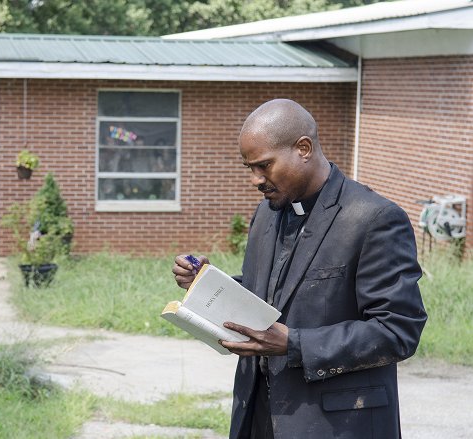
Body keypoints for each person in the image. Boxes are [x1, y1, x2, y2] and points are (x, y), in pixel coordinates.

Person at [172, 99, 427, 439]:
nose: (255, 179)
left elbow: (397, 331)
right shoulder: (267, 214)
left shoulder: (373, 219)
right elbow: (269, 292)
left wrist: (295, 343)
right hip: (257, 417)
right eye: (249, 167)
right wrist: (207, 285)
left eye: (264, 165)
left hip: (336, 426)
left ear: (303, 148)